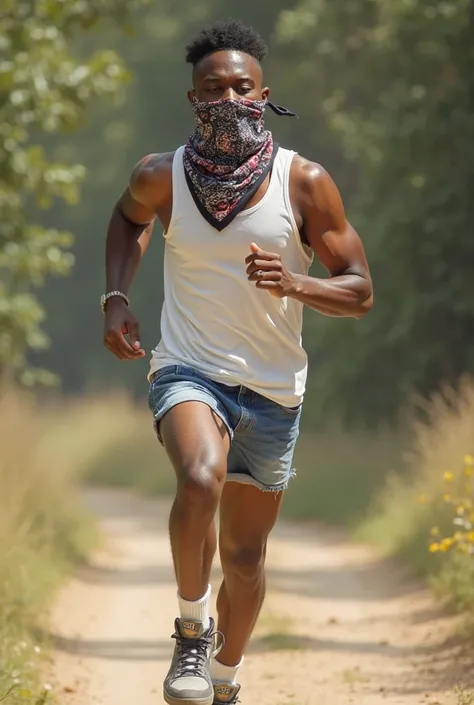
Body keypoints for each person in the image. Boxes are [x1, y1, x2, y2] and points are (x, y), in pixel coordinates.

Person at [102, 18, 373, 705]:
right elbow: (127, 218)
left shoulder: (305, 183)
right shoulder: (160, 175)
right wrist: (115, 297)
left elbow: (360, 290)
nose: (229, 99)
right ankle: (191, 630)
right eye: (213, 89)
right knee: (199, 477)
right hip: (188, 368)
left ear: (266, 94)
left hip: (274, 391)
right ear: (193, 100)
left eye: (242, 87)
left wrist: (297, 282)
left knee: (246, 559)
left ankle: (224, 677)